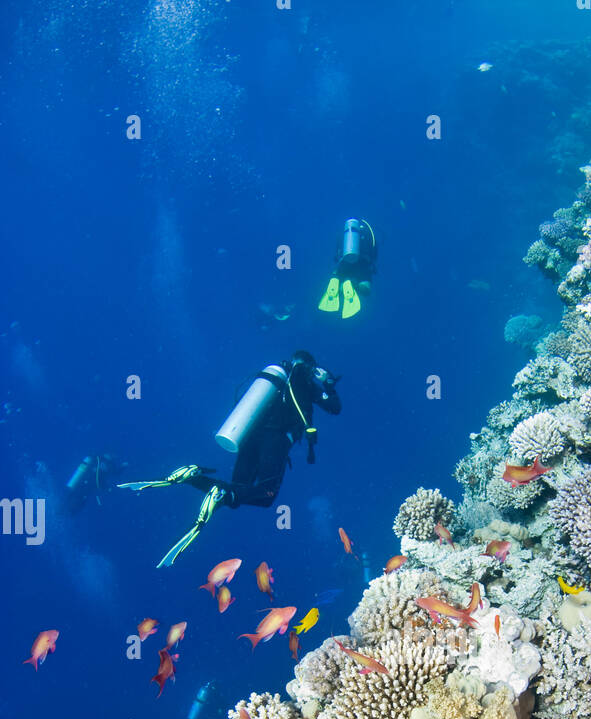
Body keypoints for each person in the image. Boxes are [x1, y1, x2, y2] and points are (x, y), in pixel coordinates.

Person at [119, 351, 341, 567]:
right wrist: (328, 383)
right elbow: (334, 408)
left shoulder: (276, 380)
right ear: (310, 366)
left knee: (237, 490)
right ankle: (217, 491)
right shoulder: (303, 380)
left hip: (250, 436)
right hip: (276, 439)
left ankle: (193, 477)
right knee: (266, 494)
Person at [318, 218, 376, 319]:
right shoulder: (368, 233)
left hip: (344, 261)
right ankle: (352, 285)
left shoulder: (344, 235)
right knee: (365, 289)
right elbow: (374, 251)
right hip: (363, 264)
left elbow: (337, 255)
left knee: (341, 277)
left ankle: (336, 279)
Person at [61, 453, 127, 516]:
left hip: (82, 483)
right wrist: (123, 466)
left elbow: (102, 476)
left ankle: (62, 510)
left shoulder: (96, 458)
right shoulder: (107, 463)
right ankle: (68, 514)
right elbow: (110, 475)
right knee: (80, 500)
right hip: (88, 486)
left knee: (74, 496)